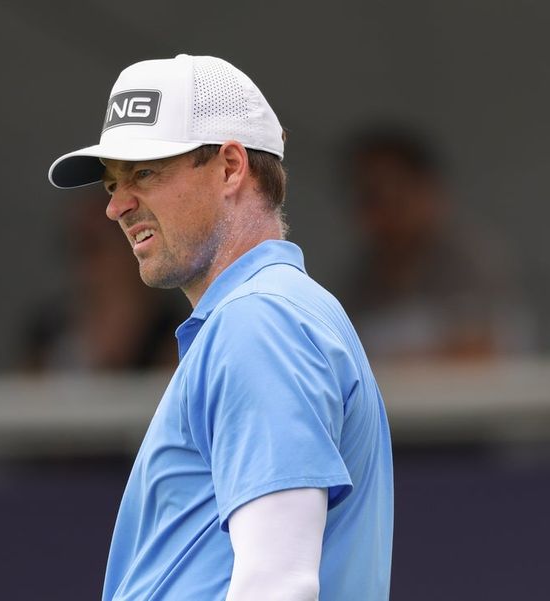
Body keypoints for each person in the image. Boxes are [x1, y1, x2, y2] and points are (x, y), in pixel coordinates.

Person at [48, 55, 392, 600]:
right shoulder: (275, 312)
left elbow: (279, 583)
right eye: (112, 182)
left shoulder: (261, 321)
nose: (116, 206)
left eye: (143, 173)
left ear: (232, 167)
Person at [338, 125, 535, 360]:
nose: (387, 215)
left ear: (429, 192)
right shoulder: (358, 282)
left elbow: (476, 356)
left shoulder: (470, 262)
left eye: (398, 198)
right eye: (371, 199)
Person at [19, 193, 185, 372]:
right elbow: (24, 396)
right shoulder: (48, 329)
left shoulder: (176, 332)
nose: (84, 260)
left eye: (94, 244)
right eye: (73, 245)